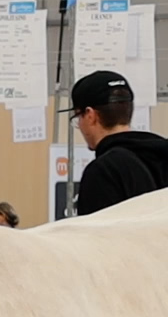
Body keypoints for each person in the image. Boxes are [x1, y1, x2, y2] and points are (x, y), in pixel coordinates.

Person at [70, 70, 168, 215]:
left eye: (78, 117)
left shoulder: (103, 171)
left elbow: (96, 229)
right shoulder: (161, 154)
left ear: (90, 115)